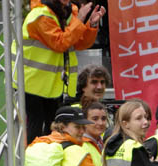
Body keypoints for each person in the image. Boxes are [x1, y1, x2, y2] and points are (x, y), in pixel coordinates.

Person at [18, 0, 104, 143]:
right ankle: (34, 155)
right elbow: (60, 42)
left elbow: (79, 43)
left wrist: (91, 24)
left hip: (52, 82)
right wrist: (80, 19)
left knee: (54, 125)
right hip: (32, 81)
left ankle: (53, 153)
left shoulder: (68, 12)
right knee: (36, 124)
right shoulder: (40, 15)